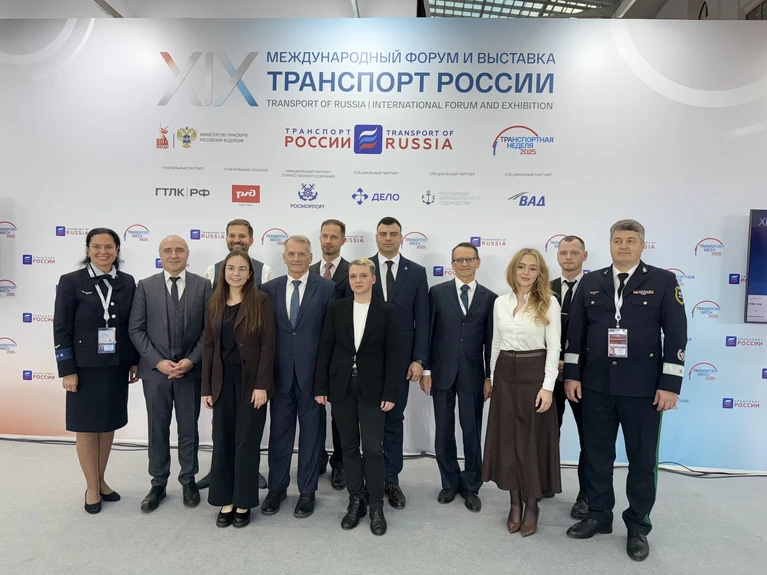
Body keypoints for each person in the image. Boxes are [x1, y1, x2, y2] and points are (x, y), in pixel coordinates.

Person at [564, 219, 687, 561]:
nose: (623, 246)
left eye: (631, 241)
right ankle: (599, 516)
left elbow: (677, 334)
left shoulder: (663, 281)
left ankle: (638, 526)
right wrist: (572, 375)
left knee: (642, 461)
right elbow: (576, 333)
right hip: (596, 386)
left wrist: (670, 385)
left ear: (642, 246)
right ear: (610, 245)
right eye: (618, 240)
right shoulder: (591, 281)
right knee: (597, 456)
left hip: (643, 390)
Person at [53, 228, 139, 514]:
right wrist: (67, 369)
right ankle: (91, 486)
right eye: (97, 246)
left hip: (116, 366)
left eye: (109, 246)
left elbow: (132, 325)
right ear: (88, 249)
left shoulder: (127, 281)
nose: (103, 251)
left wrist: (134, 360)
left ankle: (101, 480)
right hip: (84, 368)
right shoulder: (71, 281)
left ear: (117, 250)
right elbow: (61, 328)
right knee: (87, 428)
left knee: (107, 425)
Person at [315, 258, 400, 535]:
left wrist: (390, 391)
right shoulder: (337, 308)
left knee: (373, 449)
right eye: (353, 276)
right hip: (341, 387)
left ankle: (376, 506)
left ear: (373, 279)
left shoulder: (387, 311)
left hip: (373, 389)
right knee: (349, 447)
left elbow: (394, 354)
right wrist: (320, 387)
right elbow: (325, 347)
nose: (358, 281)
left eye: (363, 276)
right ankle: (356, 501)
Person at [129, 235, 212, 512]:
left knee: (189, 429)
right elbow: (136, 329)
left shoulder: (203, 286)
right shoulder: (145, 286)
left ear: (187, 254)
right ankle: (158, 483)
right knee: (157, 429)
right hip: (156, 374)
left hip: (190, 372)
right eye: (168, 250)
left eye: (179, 250)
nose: (173, 255)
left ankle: (188, 479)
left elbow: (209, 329)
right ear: (160, 254)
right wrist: (158, 362)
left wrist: (191, 360)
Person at [483, 248, 562, 537]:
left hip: (534, 373)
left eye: (532, 268)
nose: (526, 273)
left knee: (530, 442)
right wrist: (492, 378)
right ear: (513, 270)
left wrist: (548, 387)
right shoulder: (500, 303)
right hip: (504, 373)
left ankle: (532, 504)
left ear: (540, 273)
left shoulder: (549, 302)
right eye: (521, 267)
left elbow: (554, 346)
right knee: (508, 442)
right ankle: (514, 503)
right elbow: (495, 343)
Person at [260, 236, 337, 518]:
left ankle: (307, 491)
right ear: (284, 257)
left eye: (301, 254)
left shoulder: (327, 288)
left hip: (313, 379)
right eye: (291, 254)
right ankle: (276, 489)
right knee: (279, 436)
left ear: (310, 257)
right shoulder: (269, 289)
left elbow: (331, 337)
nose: (296, 258)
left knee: (312, 437)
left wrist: (325, 380)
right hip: (279, 377)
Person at [420, 242, 496, 512]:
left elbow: (492, 342)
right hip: (441, 372)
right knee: (443, 431)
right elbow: (428, 333)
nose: (464, 264)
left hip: (473, 374)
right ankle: (449, 482)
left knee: (471, 430)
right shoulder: (437, 293)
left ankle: (472, 485)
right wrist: (426, 370)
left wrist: (490, 377)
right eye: (459, 260)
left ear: (478, 262)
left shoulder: (490, 298)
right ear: (452, 264)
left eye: (469, 259)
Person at [201, 250, 275, 528]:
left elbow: (268, 345)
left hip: (251, 384)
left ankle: (243, 502)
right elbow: (209, 347)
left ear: (250, 273)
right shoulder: (214, 302)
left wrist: (262, 385)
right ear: (223, 272)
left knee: (246, 442)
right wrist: (206, 388)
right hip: (222, 382)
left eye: (242, 269)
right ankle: (225, 500)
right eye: (231, 268)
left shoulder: (261, 300)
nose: (236, 273)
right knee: (222, 441)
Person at [369, 216, 429, 509]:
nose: (388, 238)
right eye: (383, 233)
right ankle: (370, 479)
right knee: (369, 422)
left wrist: (419, 359)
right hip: (366, 361)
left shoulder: (415, 272)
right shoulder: (362, 268)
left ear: (401, 237)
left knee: (393, 420)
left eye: (393, 234)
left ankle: (391, 480)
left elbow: (423, 320)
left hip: (402, 361)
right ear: (376, 237)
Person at [309, 218, 350, 490]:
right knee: (313, 411)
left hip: (340, 355)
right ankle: (316, 459)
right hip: (309, 354)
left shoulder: (352, 271)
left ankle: (340, 464)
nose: (328, 241)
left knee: (340, 415)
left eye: (334, 237)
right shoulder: (308, 270)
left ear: (343, 240)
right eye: (324, 236)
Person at [550, 235, 589, 519]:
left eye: (574, 253)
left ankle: (586, 494)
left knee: (590, 437)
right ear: (557, 256)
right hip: (549, 374)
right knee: (546, 433)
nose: (568, 258)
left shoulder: (597, 287)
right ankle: (544, 483)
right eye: (563, 252)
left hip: (584, 376)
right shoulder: (544, 288)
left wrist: (573, 364)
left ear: (584, 256)